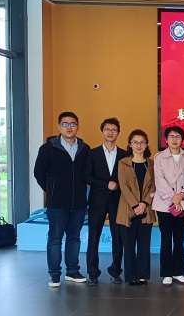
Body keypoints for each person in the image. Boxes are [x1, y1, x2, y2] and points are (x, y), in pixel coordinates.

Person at [33, 111, 91, 288]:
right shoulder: (48, 148)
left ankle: (72, 271)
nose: (69, 127)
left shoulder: (84, 148)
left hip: (78, 202)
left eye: (73, 124)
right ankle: (55, 274)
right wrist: (51, 191)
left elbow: (87, 174)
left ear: (78, 126)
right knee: (55, 238)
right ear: (59, 127)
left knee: (74, 238)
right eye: (65, 124)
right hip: (57, 203)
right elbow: (39, 173)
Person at [83, 117, 128, 286]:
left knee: (118, 238)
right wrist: (105, 184)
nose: (110, 132)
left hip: (118, 201)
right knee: (93, 237)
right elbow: (86, 176)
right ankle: (92, 272)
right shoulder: (92, 153)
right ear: (102, 132)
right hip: (97, 200)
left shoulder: (124, 154)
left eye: (114, 130)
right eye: (107, 129)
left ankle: (115, 271)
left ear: (118, 133)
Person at [152, 126, 184, 287]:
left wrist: (181, 195)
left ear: (182, 140)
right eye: (171, 136)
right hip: (164, 204)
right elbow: (159, 180)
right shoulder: (159, 157)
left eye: (178, 136)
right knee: (166, 238)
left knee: (180, 238)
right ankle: (167, 273)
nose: (174, 139)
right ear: (166, 140)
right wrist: (173, 198)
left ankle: (178, 272)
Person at [116, 129, 155, 286]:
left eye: (142, 142)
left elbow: (154, 186)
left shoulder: (152, 164)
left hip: (146, 210)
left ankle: (143, 275)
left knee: (144, 245)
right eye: (135, 142)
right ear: (130, 144)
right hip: (128, 210)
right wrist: (135, 205)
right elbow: (123, 186)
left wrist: (144, 203)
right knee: (129, 245)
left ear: (146, 144)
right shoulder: (123, 162)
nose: (139, 145)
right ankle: (131, 275)